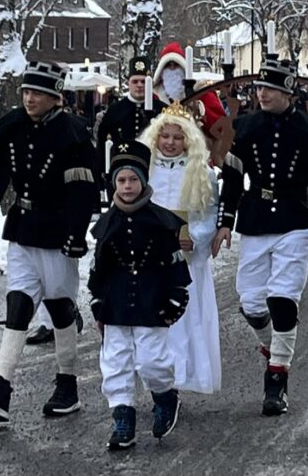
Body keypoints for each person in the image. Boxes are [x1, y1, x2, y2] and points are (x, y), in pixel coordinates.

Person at [0, 62, 98, 423]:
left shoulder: (73, 134)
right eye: (25, 91)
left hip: (57, 230)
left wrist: (76, 232)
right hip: (23, 228)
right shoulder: (13, 127)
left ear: (55, 97)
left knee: (59, 308)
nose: (28, 98)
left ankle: (67, 384)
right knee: (18, 304)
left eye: (36, 92)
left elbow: (84, 188)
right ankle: (1, 386)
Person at [217, 56, 308, 416]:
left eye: (269, 88)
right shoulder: (246, 127)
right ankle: (275, 349)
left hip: (295, 218)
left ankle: (277, 379)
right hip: (256, 217)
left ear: (287, 90)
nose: (262, 94)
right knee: (251, 302)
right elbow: (231, 177)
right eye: (259, 88)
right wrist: (226, 220)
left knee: (283, 296)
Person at [89, 141, 192, 450]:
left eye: (133, 179)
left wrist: (175, 300)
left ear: (144, 181)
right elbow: (99, 268)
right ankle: (123, 420)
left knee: (152, 362)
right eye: (121, 180)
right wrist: (97, 303)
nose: (127, 186)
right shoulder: (106, 224)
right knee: (115, 362)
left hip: (152, 301)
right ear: (113, 184)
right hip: (116, 303)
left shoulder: (161, 222)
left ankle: (165, 397)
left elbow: (175, 266)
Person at [138, 102, 223, 396]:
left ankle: (183, 375)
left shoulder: (201, 172)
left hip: (188, 260)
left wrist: (196, 237)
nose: (171, 143)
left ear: (188, 139)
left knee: (187, 318)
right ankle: (158, 378)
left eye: (177, 137)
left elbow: (210, 212)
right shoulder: (144, 169)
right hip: (151, 258)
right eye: (166, 136)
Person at [97, 57, 165, 182]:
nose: (139, 85)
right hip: (121, 171)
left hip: (155, 170)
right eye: (135, 81)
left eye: (143, 82)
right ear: (128, 83)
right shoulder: (115, 110)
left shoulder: (162, 110)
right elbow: (102, 142)